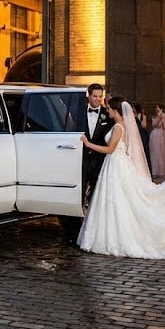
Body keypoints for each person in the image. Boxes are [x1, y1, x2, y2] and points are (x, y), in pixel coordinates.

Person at [76, 96, 165, 259]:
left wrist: (88, 144)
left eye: (109, 108)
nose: (107, 111)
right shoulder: (124, 126)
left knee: (115, 200)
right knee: (118, 201)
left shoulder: (118, 128)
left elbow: (110, 149)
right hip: (119, 165)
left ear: (115, 110)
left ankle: (113, 237)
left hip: (115, 165)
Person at [60, 83, 116, 242]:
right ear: (88, 96)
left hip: (100, 162)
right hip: (80, 160)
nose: (98, 99)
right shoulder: (76, 113)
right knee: (78, 194)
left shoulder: (108, 115)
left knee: (98, 195)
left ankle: (96, 231)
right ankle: (74, 233)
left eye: (100, 96)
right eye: (95, 96)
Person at [149, 103, 165, 180]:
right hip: (154, 135)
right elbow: (154, 124)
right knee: (154, 152)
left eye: (158, 107)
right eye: (156, 107)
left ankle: (162, 171)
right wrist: (159, 117)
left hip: (161, 135)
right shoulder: (154, 117)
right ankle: (155, 171)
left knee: (161, 152)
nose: (156, 109)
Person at [133, 102, 151, 169]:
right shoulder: (133, 116)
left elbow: (144, 125)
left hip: (142, 134)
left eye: (134, 108)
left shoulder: (142, 116)